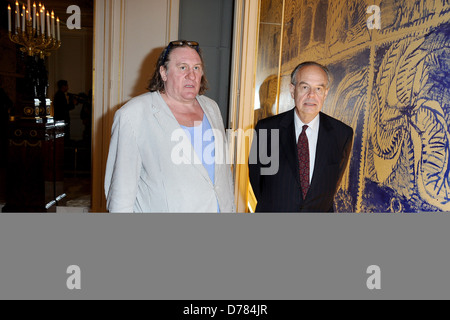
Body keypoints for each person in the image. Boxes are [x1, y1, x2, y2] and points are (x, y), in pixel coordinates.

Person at [105, 40, 235, 213]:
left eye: (196, 68)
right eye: (182, 67)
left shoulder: (212, 108)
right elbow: (121, 194)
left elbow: (223, 175)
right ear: (163, 72)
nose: (191, 75)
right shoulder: (133, 114)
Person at [249, 61, 353, 212]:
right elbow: (257, 180)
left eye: (318, 88)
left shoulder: (342, 134)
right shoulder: (266, 129)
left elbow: (333, 183)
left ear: (326, 93)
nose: (311, 95)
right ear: (292, 90)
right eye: (305, 87)